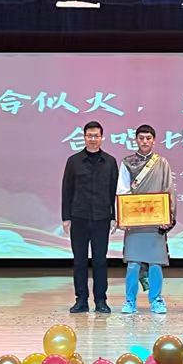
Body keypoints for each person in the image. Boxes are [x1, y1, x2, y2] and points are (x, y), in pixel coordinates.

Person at [113, 124, 176, 314]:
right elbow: (122, 191)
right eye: (141, 138)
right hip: (135, 221)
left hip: (156, 221)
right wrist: (124, 217)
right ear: (136, 140)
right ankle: (130, 301)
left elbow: (168, 190)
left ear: (154, 140)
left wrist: (168, 216)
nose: (145, 141)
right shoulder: (127, 163)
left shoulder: (162, 163)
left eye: (148, 138)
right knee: (133, 263)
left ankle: (156, 300)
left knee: (155, 263)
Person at [61, 121, 119, 314]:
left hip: (102, 218)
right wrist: (66, 217)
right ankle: (81, 300)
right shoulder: (73, 161)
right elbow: (67, 190)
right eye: (89, 136)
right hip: (79, 216)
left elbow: (114, 191)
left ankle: (101, 300)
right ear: (84, 137)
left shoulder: (110, 162)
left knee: (100, 261)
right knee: (79, 261)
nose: (93, 139)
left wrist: (114, 216)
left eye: (96, 136)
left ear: (102, 138)